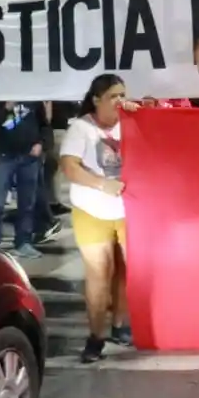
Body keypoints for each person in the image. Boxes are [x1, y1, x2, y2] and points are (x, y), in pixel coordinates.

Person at [60, 73, 137, 363]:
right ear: (96, 99)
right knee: (99, 275)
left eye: (122, 95)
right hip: (92, 211)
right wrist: (101, 184)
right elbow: (69, 166)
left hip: (127, 211)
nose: (119, 101)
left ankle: (120, 325)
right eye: (113, 96)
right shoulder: (81, 128)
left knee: (126, 271)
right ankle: (95, 336)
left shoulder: (130, 122)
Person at [0, 101, 48, 258]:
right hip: (4, 156)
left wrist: (41, 143)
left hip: (30, 157)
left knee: (27, 203)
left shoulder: (33, 98)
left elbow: (44, 124)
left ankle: (24, 242)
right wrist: (5, 109)